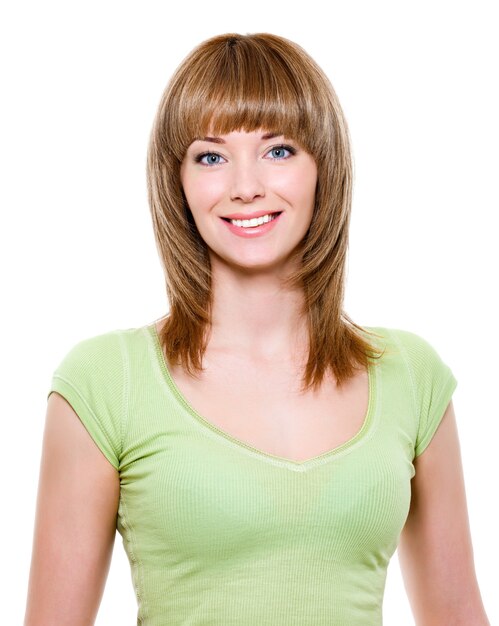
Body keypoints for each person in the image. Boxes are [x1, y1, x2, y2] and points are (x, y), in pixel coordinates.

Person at [24, 33, 489, 626]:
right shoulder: (103, 382)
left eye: (278, 150)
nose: (246, 186)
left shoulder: (411, 376)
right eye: (211, 156)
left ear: (325, 165)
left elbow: (457, 615)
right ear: (179, 181)